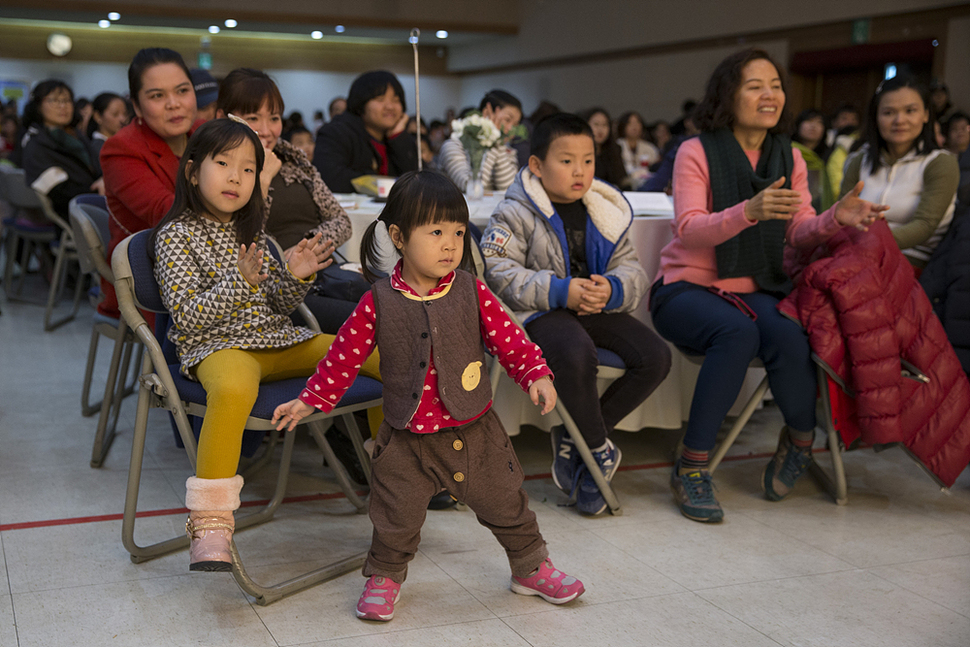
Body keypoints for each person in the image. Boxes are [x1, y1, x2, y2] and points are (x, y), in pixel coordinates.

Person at [272, 170, 585, 621]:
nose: (450, 244)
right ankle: (384, 576)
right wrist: (312, 399)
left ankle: (531, 566)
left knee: (507, 503)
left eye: (457, 232)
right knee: (394, 515)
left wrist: (536, 373)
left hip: (475, 430)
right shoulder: (377, 300)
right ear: (398, 236)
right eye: (436, 231)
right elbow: (344, 356)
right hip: (406, 439)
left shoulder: (472, 292)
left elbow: (510, 340)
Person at [649, 48, 888, 523]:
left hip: (754, 287)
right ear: (727, 94)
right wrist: (749, 211)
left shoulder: (789, 156)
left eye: (776, 84)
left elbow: (797, 231)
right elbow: (690, 229)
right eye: (755, 85)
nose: (769, 94)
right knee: (738, 332)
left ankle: (800, 440)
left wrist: (832, 218)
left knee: (792, 334)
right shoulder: (695, 150)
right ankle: (692, 467)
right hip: (686, 288)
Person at [150, 118, 379, 572]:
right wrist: (241, 282)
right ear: (193, 172)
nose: (236, 177)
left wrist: (294, 272)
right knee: (234, 389)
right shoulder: (174, 235)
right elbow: (189, 315)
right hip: (216, 349)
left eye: (249, 169)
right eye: (223, 164)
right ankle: (211, 522)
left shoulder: (253, 232)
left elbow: (277, 303)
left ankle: (392, 470)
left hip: (276, 340)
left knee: (373, 354)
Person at [483, 113, 672, 516]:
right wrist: (558, 289)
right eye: (566, 160)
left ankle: (577, 440)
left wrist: (613, 287)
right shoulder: (515, 210)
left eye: (587, 160)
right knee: (574, 351)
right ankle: (596, 450)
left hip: (592, 306)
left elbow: (632, 268)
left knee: (655, 356)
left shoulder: (604, 208)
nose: (580, 171)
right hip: (539, 311)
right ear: (536, 165)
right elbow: (497, 273)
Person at [216, 67, 366, 333]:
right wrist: (261, 179)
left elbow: (341, 221)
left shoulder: (293, 160)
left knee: (398, 303)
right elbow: (233, 242)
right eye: (252, 117)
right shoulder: (220, 171)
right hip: (278, 291)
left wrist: (305, 248)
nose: (266, 130)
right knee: (374, 319)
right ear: (223, 117)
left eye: (274, 118)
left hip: (323, 274)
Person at [99, 47, 199, 321]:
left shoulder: (206, 134)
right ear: (136, 106)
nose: (174, 104)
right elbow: (169, 213)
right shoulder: (120, 148)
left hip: (215, 267)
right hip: (150, 278)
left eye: (182, 91)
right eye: (157, 96)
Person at [841, 75, 959, 271]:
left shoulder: (940, 162)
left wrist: (869, 243)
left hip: (910, 264)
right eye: (888, 112)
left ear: (926, 115)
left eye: (910, 111)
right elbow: (841, 213)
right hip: (853, 257)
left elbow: (925, 225)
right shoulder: (858, 160)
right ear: (876, 117)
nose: (899, 120)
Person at [312, 71, 417, 193]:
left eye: (396, 100)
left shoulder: (399, 138)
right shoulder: (337, 132)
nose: (390, 107)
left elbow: (418, 181)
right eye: (380, 99)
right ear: (361, 103)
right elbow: (329, 178)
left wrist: (398, 138)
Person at [20, 80, 103, 218]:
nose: (63, 106)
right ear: (38, 106)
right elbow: (59, 192)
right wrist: (97, 191)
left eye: (67, 100)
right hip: (72, 213)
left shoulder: (75, 135)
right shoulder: (36, 141)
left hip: (91, 202)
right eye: (54, 100)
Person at [437, 90, 522, 193]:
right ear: (486, 115)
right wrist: (493, 140)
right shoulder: (453, 145)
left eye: (516, 124)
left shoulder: (505, 149)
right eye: (507, 120)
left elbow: (509, 189)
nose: (511, 128)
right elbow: (471, 188)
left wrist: (496, 144)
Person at [791, 109, 834, 212]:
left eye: (819, 122)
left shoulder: (827, 157)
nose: (813, 126)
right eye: (809, 121)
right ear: (798, 125)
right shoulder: (788, 151)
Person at [583, 107, 627, 187]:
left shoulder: (615, 149)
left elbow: (621, 179)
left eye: (604, 125)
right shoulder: (579, 151)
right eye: (596, 124)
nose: (600, 129)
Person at [616, 111, 660, 187]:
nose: (634, 127)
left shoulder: (650, 147)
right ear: (623, 126)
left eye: (637, 123)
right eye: (630, 123)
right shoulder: (617, 145)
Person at [86, 92, 128, 158]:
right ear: (97, 116)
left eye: (124, 114)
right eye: (115, 114)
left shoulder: (119, 142)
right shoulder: (99, 148)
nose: (122, 119)